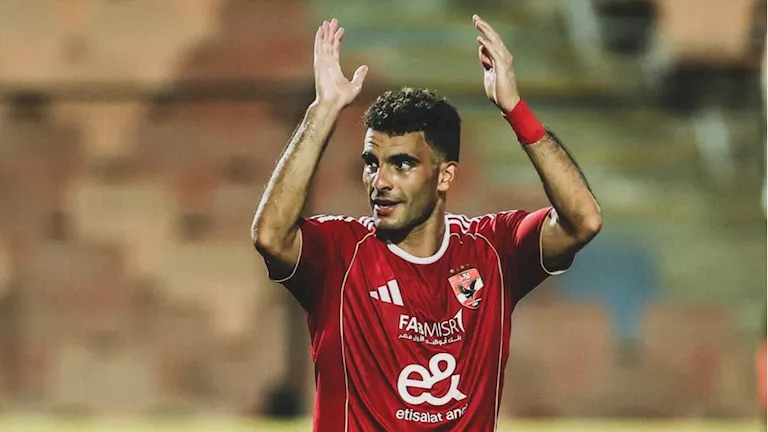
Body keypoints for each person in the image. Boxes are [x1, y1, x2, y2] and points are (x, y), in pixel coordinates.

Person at [252, 14, 602, 431]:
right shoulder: (340, 254)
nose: (380, 181)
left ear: (445, 175)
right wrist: (323, 110)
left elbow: (582, 221)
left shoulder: (493, 250)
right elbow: (271, 236)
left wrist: (515, 109)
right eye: (372, 163)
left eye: (401, 164)